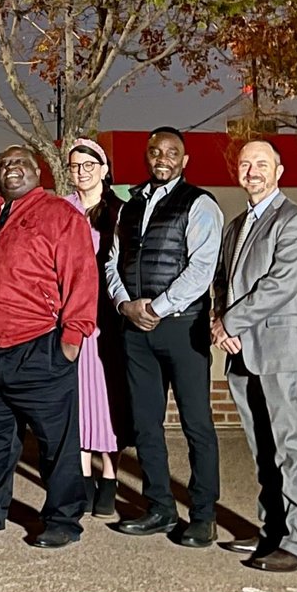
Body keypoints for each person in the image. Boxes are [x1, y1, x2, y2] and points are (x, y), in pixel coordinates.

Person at [0, 145, 97, 549]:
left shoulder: (61, 215)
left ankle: (63, 519)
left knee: (55, 443)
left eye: (20, 164)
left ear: (37, 171)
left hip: (39, 346)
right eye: (4, 164)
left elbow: (80, 276)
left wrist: (71, 340)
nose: (11, 170)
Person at [106, 127, 223, 547]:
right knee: (145, 424)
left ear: (184, 160)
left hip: (182, 328)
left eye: (172, 152)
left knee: (197, 425)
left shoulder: (200, 204)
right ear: (147, 155)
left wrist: (157, 306)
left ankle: (204, 515)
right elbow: (113, 262)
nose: (163, 158)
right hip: (136, 329)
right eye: (156, 151)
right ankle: (159, 506)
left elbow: (202, 269)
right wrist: (125, 305)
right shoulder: (130, 205)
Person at [212, 140, 297, 574]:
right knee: (264, 450)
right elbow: (222, 282)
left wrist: (231, 323)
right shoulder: (237, 224)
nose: (252, 171)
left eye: (261, 164)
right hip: (242, 354)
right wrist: (218, 320)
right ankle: (272, 531)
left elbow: (282, 283)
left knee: (291, 447)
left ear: (280, 170)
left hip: (280, 351)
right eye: (245, 164)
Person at [63, 137, 131, 516]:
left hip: (109, 315)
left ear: (104, 170)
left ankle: (110, 475)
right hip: (73, 313)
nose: (82, 172)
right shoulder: (62, 210)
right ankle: (84, 471)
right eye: (75, 166)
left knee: (107, 396)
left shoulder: (121, 212)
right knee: (77, 394)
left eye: (90, 165)